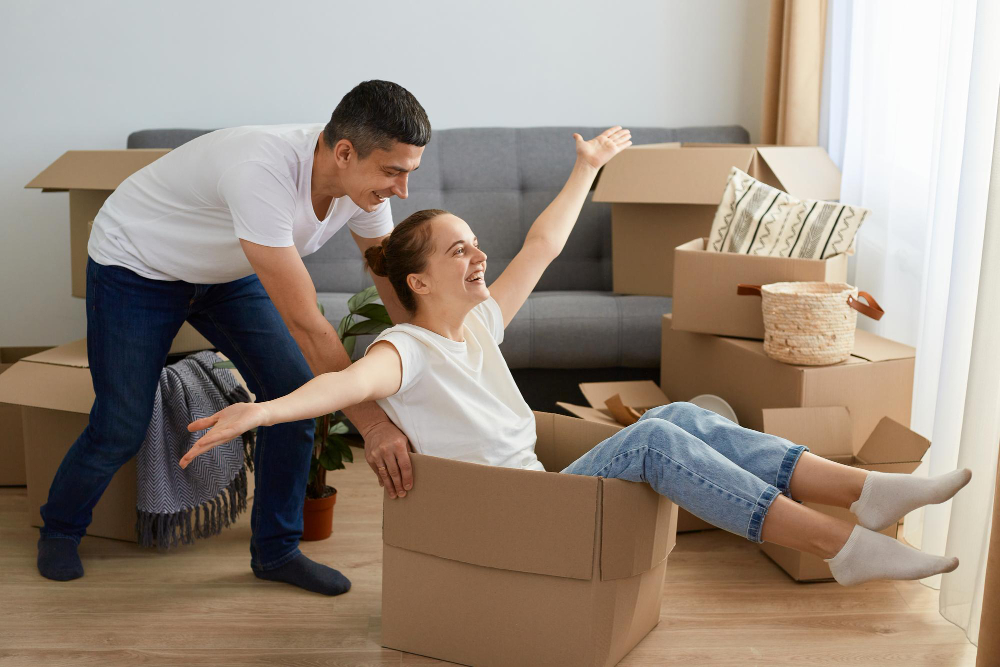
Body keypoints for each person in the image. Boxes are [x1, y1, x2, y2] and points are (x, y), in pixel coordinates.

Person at [180, 127, 972, 587]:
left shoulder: (480, 323)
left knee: (688, 416)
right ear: (417, 278)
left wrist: (586, 166)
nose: (478, 256)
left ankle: (867, 495)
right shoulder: (406, 350)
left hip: (543, 498)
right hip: (514, 521)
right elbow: (342, 382)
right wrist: (265, 407)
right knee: (663, 434)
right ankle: (841, 545)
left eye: (474, 244)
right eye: (460, 251)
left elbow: (543, 243)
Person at [37, 80, 427, 597]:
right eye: (393, 171)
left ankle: (276, 551)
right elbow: (307, 324)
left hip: (226, 271)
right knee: (121, 425)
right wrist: (374, 427)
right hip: (137, 265)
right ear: (345, 151)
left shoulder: (365, 189)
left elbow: (391, 282)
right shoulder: (261, 170)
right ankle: (60, 529)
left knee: (294, 399)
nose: (402, 189)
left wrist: (433, 350)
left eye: (409, 172)